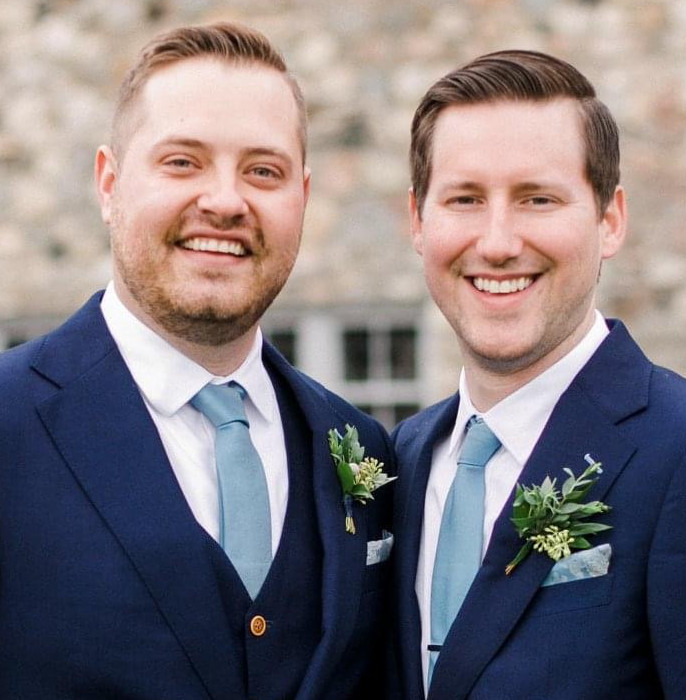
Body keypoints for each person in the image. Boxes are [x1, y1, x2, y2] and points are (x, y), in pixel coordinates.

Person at [0, 22, 394, 699]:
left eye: (262, 171)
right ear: (109, 183)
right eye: (182, 162)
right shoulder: (9, 422)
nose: (224, 201)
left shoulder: (361, 447)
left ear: (302, 195)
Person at [391, 50, 686, 699]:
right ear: (418, 221)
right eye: (466, 198)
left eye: (537, 198)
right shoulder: (405, 459)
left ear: (609, 219)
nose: (499, 241)